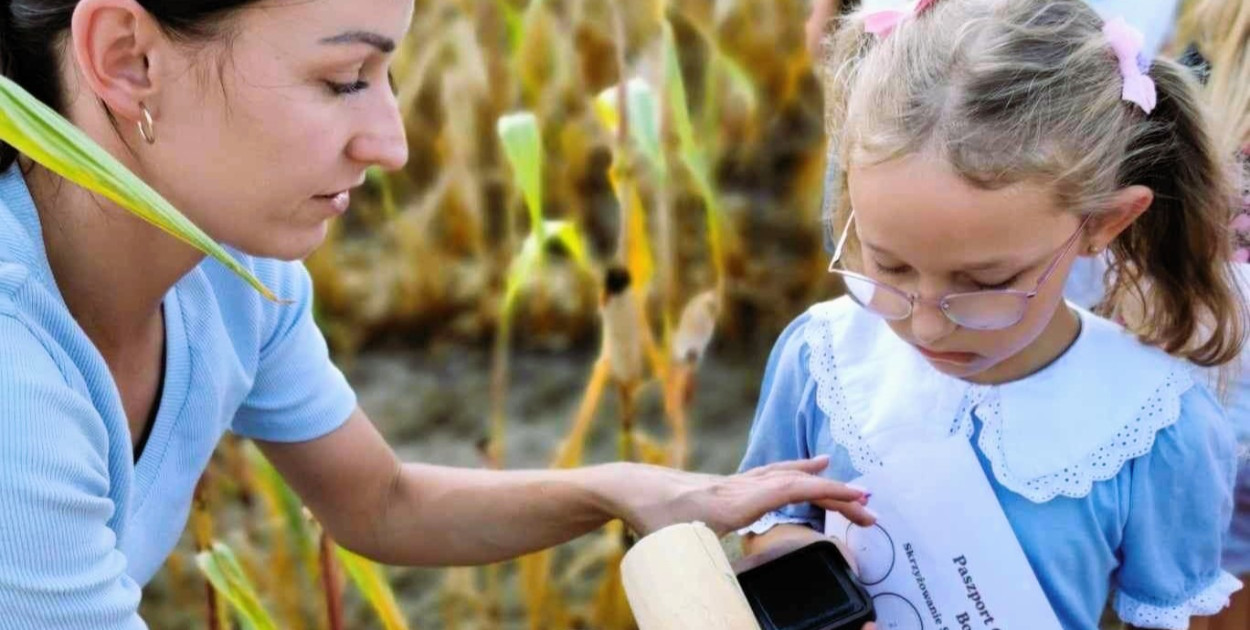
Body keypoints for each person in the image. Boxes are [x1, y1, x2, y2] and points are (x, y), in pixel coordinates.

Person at [0, 1, 879, 627]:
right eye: (344, 78)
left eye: (387, 75)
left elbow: (379, 502)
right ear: (127, 57)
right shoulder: (17, 380)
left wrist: (627, 491)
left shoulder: (231, 274)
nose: (392, 142)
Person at [741, 0, 1246, 628]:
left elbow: (1174, 615)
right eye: (888, 266)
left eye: (987, 283)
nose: (926, 326)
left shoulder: (1155, 426)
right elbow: (768, 520)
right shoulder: (822, 357)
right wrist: (802, 576)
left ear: (1106, 223)